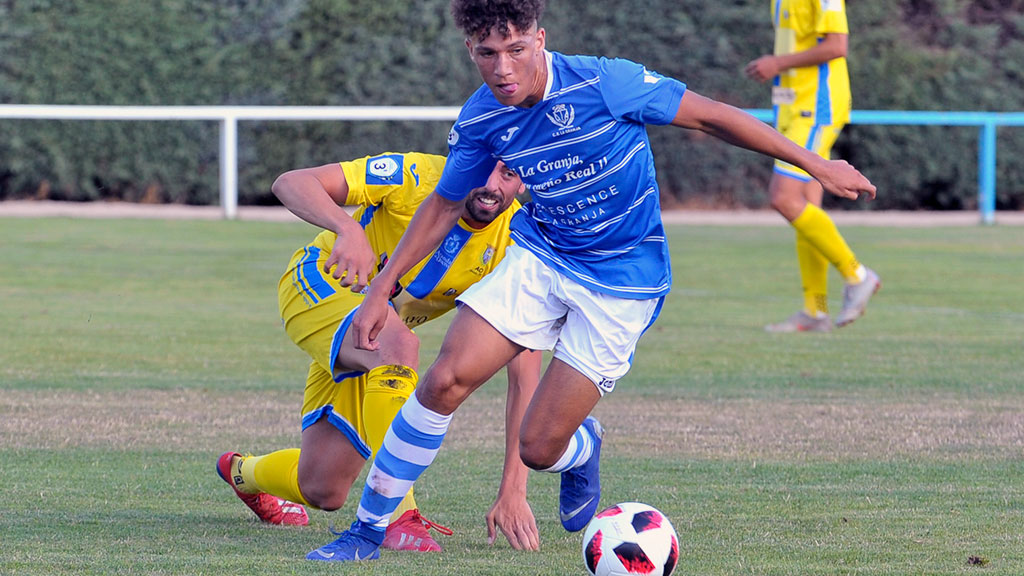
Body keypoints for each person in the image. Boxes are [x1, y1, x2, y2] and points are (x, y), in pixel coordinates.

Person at [305, 0, 877, 562]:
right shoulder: (482, 118)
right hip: (542, 255)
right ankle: (366, 532)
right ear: (470, 51)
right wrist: (380, 293)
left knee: (538, 447)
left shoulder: (607, 84)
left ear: (541, 38)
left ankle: (582, 449)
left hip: (623, 282)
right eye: (487, 54)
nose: (502, 68)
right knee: (444, 380)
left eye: (515, 50)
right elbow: (444, 205)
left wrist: (816, 164)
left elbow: (711, 116)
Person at [215, 151, 543, 556]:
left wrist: (514, 489)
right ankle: (398, 517)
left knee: (323, 487)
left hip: (374, 340)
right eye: (484, 167)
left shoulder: (516, 245)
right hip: (320, 283)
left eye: (508, 174)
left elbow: (525, 374)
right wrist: (346, 229)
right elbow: (291, 181)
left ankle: (241, 472)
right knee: (402, 345)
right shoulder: (416, 175)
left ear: (524, 182)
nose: (492, 185)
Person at [745, 0, 881, 333]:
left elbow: (837, 45)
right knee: (805, 208)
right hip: (792, 107)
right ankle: (815, 310)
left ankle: (857, 275)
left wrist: (777, 62)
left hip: (816, 108)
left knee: (784, 198)